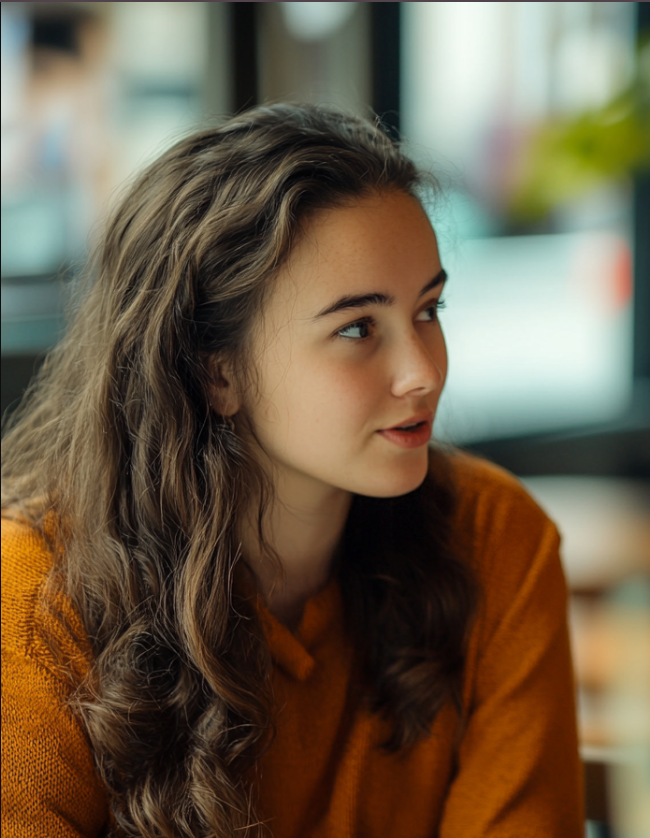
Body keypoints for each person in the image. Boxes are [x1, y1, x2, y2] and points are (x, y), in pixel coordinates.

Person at [1, 103, 583, 837]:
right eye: (357, 328)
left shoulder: (495, 540)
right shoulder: (32, 593)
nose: (423, 373)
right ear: (216, 372)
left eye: (429, 311)